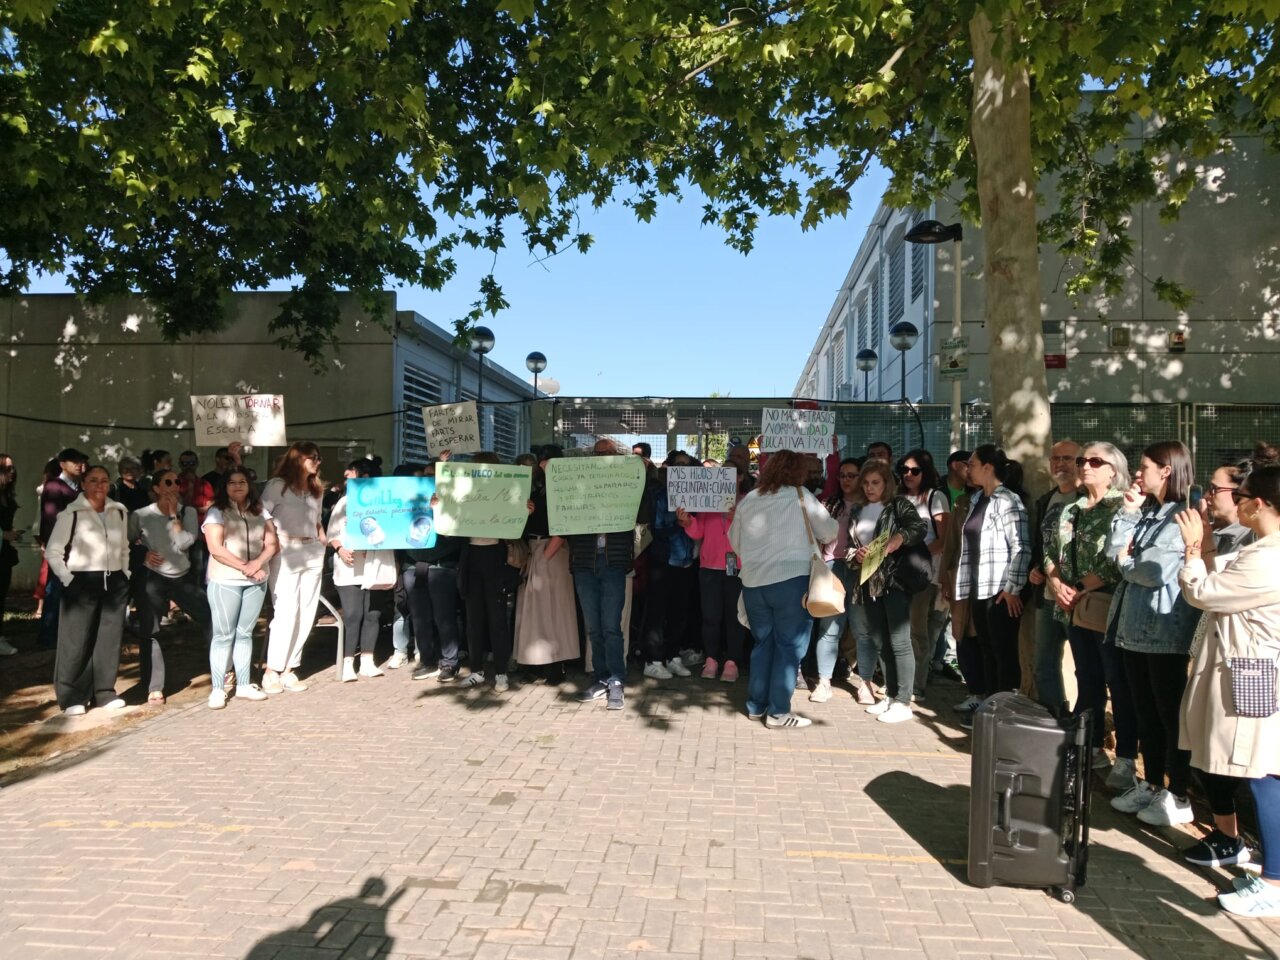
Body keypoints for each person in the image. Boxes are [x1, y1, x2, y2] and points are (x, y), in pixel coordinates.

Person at [1175, 465, 1280, 918]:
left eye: (1243, 496)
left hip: (1253, 673)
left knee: (1261, 773)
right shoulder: (1263, 549)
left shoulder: (1269, 556)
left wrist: (1193, 548)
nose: (1235, 502)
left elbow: (1203, 592)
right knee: (1256, 771)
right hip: (1249, 669)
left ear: (1259, 504)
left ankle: (1274, 881)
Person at [1107, 440, 1200, 825]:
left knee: (1168, 715)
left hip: (1164, 631)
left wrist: (1127, 563)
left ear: (1167, 470)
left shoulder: (1183, 515)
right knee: (1145, 712)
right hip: (1133, 628)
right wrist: (1127, 516)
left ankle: (1177, 793)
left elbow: (1152, 571)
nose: (1138, 473)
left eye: (1144, 466)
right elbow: (1115, 554)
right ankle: (1150, 783)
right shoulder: (1148, 511)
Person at [1043, 442, 1136, 782]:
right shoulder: (1072, 508)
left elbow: (1117, 561)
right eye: (1082, 460)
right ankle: (1089, 747)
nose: (1085, 465)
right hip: (1072, 607)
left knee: (1117, 682)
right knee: (1087, 678)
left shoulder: (1122, 507)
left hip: (1105, 609)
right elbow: (1050, 549)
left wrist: (1079, 588)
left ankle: (1125, 758)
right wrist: (1056, 584)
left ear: (1114, 470)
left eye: (1095, 461)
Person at [729, 449, 838, 728]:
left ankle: (756, 705)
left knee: (763, 643)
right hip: (792, 581)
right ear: (797, 472)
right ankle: (778, 712)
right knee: (789, 647)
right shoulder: (801, 496)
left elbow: (735, 542)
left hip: (754, 583)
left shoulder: (749, 500)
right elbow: (829, 532)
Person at [570, 439, 653, 710]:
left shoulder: (626, 487)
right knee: (594, 627)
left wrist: (641, 478)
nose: (602, 458)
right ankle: (601, 677)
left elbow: (643, 514)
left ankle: (617, 679)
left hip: (614, 562)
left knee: (611, 626)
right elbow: (562, 511)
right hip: (585, 562)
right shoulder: (577, 486)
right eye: (598, 453)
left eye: (608, 454)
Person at [843, 459, 928, 722]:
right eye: (866, 483)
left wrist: (897, 540)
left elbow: (919, 527)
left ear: (887, 483)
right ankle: (891, 695)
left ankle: (903, 701)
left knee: (900, 640)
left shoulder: (898, 504)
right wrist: (854, 555)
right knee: (880, 640)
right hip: (867, 582)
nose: (870, 488)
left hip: (894, 581)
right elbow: (848, 547)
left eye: (875, 483)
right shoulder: (857, 510)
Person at [44, 465, 130, 715]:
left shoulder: (119, 512)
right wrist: (68, 579)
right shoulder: (71, 513)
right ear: (83, 484)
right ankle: (72, 696)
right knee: (76, 641)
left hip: (114, 581)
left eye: (104, 481)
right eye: (93, 480)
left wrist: (124, 573)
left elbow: (124, 547)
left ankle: (104, 692)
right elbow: (53, 551)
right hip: (81, 581)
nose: (99, 485)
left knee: (108, 640)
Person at [951, 445, 1031, 708]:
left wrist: (1013, 588)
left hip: (1000, 590)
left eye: (972, 464)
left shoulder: (1008, 500)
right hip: (977, 587)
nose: (967, 469)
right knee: (986, 648)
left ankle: (1004, 710)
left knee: (1003, 652)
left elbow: (1021, 546)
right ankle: (988, 706)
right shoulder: (976, 500)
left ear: (988, 468)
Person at [128, 468, 213, 705]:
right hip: (152, 578)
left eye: (177, 482)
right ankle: (154, 686)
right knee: (150, 630)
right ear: (156, 488)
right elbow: (127, 542)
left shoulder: (188, 512)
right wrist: (142, 554)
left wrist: (174, 516)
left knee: (210, 617)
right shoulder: (141, 515)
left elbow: (185, 542)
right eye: (168, 482)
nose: (174, 486)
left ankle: (223, 669)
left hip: (182, 578)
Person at [203, 467, 278, 709]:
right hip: (225, 580)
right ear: (225, 487)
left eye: (242, 482)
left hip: (256, 579)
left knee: (246, 633)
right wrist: (245, 566)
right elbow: (216, 548)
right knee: (223, 635)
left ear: (249, 485)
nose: (238, 486)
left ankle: (244, 684)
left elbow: (272, 543)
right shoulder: (217, 512)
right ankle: (218, 688)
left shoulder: (260, 511)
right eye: (232, 482)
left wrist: (257, 563)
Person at [261, 442, 327, 694]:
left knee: (306, 611)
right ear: (298, 459)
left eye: (319, 458)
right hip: (285, 549)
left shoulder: (315, 489)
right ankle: (272, 670)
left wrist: (322, 542)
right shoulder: (277, 486)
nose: (317, 462)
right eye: (313, 457)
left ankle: (290, 667)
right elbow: (262, 515)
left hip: (311, 550)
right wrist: (272, 542)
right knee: (286, 610)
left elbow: (318, 520)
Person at [327, 458, 395, 683]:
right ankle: (348, 663)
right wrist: (341, 549)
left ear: (365, 477)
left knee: (372, 614)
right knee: (353, 614)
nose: (346, 476)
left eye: (352, 473)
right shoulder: (344, 502)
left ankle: (367, 660)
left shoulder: (384, 502)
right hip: (348, 567)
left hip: (374, 566)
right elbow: (331, 534)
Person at [514, 445, 577, 682]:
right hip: (536, 548)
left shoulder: (564, 490)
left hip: (550, 550)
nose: (541, 465)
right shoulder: (538, 489)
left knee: (554, 609)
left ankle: (554, 665)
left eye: (545, 461)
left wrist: (547, 552)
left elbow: (565, 524)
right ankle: (536, 663)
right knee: (534, 610)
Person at [1027, 439, 1081, 715]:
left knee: (1087, 670)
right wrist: (1036, 568)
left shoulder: (1089, 500)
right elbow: (1043, 546)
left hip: (1079, 597)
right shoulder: (1047, 499)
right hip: (1047, 598)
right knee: (1043, 665)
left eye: (1068, 458)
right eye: (1055, 459)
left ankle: (1085, 734)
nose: (1060, 464)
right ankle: (1054, 722)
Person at [897, 449, 950, 701]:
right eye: (904, 469)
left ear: (925, 472)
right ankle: (900, 681)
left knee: (917, 631)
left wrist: (915, 555)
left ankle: (917, 684)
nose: (908, 474)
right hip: (899, 573)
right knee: (900, 629)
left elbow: (944, 539)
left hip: (923, 574)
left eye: (914, 470)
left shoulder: (935, 497)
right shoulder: (898, 497)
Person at [641, 451, 698, 680]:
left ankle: (672, 656)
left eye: (687, 465)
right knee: (657, 612)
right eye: (679, 465)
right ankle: (652, 660)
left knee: (680, 612)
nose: (683, 469)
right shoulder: (660, 495)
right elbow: (657, 530)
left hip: (685, 561)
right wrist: (680, 522)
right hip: (664, 560)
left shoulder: (694, 495)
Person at [37, 447, 89, 647]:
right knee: (55, 590)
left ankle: (63, 634)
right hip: (61, 547)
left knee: (70, 591)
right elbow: (51, 518)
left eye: (81, 461)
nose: (79, 465)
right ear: (62, 464)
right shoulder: (54, 486)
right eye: (74, 461)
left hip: (78, 547)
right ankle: (48, 636)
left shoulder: (77, 487)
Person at [0, 454, 20, 656]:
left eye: (13, 468)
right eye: (7, 469)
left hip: (4, 553)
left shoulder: (7, 495)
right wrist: (3, 534)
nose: (12, 472)